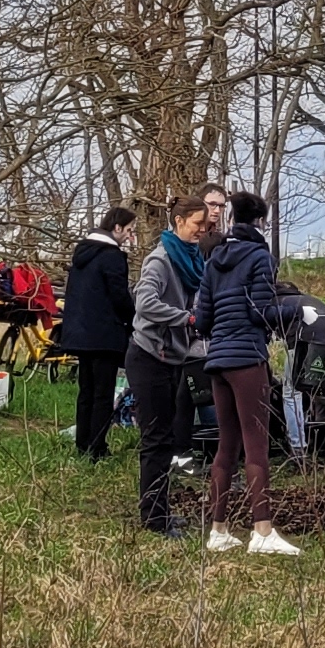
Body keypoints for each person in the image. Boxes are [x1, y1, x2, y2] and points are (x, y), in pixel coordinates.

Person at [198, 190, 309, 556]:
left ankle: (218, 530)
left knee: (225, 446)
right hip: (247, 359)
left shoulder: (214, 259)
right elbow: (262, 311)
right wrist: (296, 312)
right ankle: (262, 530)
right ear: (260, 221)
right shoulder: (260, 257)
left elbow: (203, 319)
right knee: (257, 446)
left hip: (217, 361)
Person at [126, 193, 213, 537]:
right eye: (197, 224)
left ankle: (159, 510)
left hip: (173, 358)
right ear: (178, 222)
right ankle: (153, 518)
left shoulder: (191, 260)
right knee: (156, 440)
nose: (202, 231)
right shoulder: (160, 260)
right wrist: (186, 319)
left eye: (206, 226)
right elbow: (144, 302)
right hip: (149, 358)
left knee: (166, 437)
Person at [59, 204, 135, 461]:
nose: (130, 236)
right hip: (104, 334)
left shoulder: (83, 254)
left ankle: (82, 444)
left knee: (86, 391)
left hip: (80, 333)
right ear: (116, 228)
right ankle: (97, 448)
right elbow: (119, 296)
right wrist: (132, 319)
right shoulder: (111, 256)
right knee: (103, 394)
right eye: (129, 230)